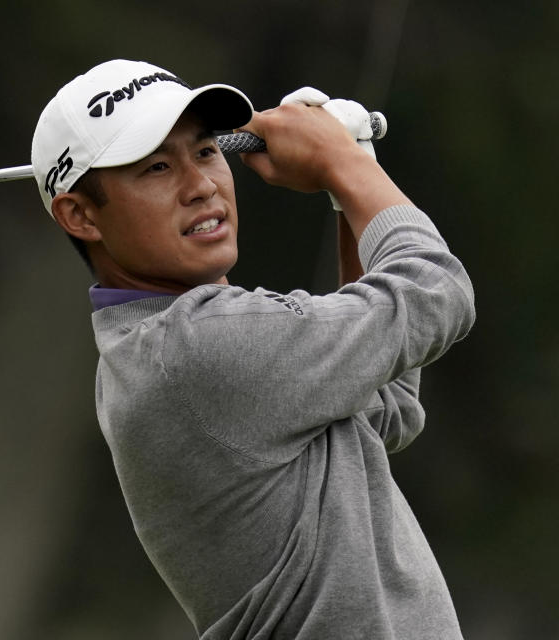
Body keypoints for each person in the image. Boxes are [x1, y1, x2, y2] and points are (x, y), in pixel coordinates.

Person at [30, 59, 475, 639]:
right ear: (80, 213)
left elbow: (385, 405)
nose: (201, 186)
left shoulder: (152, 346)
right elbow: (437, 292)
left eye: (207, 151)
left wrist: (352, 179)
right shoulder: (197, 347)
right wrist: (340, 163)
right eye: (158, 167)